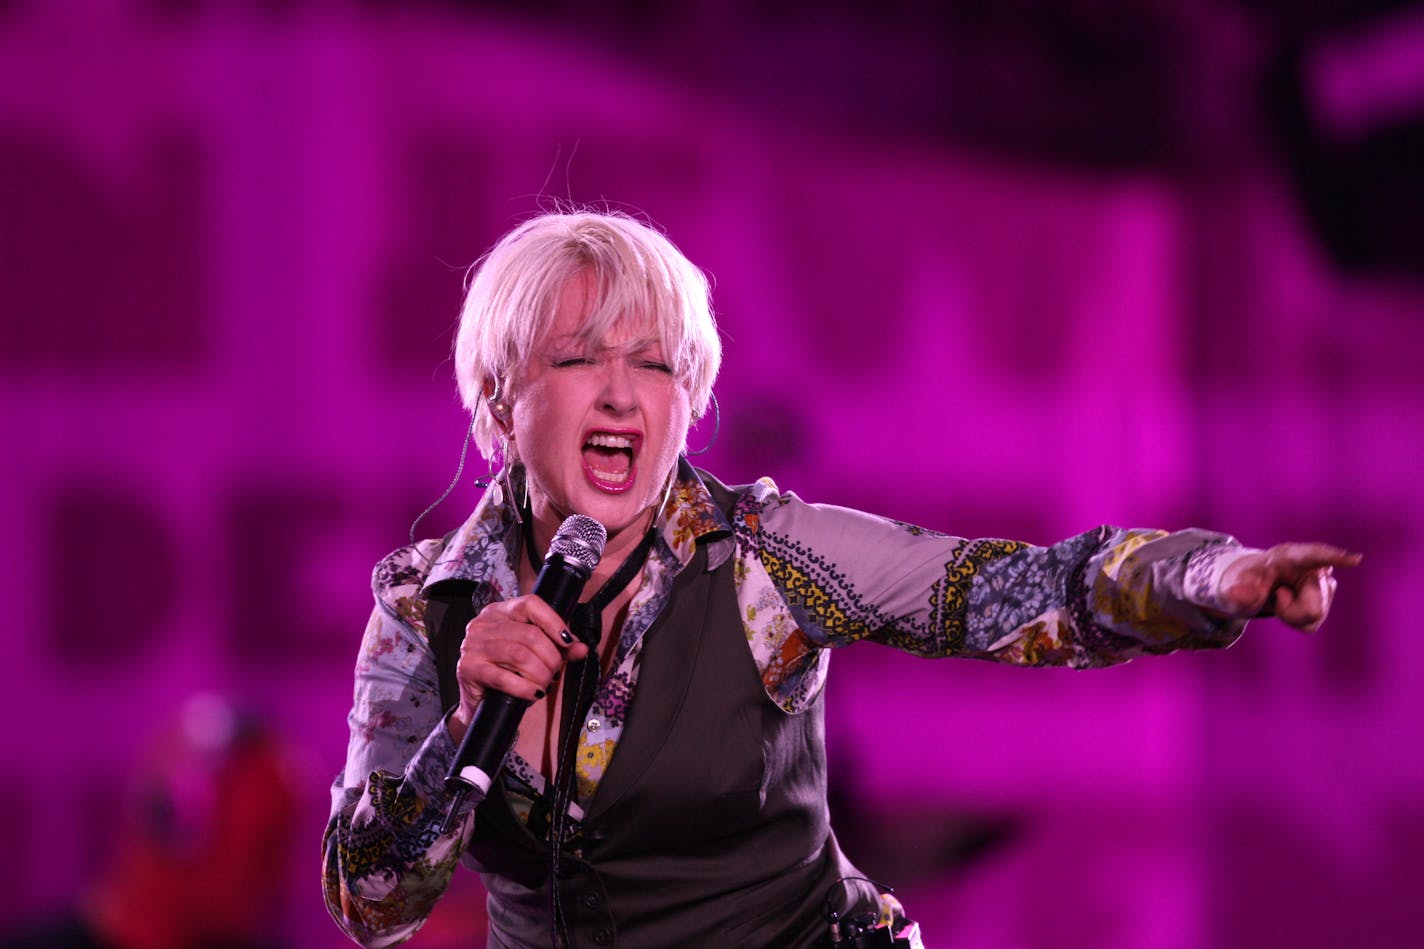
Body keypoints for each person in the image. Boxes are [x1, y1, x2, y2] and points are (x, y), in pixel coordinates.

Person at [321, 211, 1357, 948]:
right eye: (582, 358)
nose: (626, 394)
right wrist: (461, 726)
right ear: (499, 400)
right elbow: (371, 905)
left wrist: (1216, 577)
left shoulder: (767, 558)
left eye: (657, 363)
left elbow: (1019, 591)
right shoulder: (425, 607)